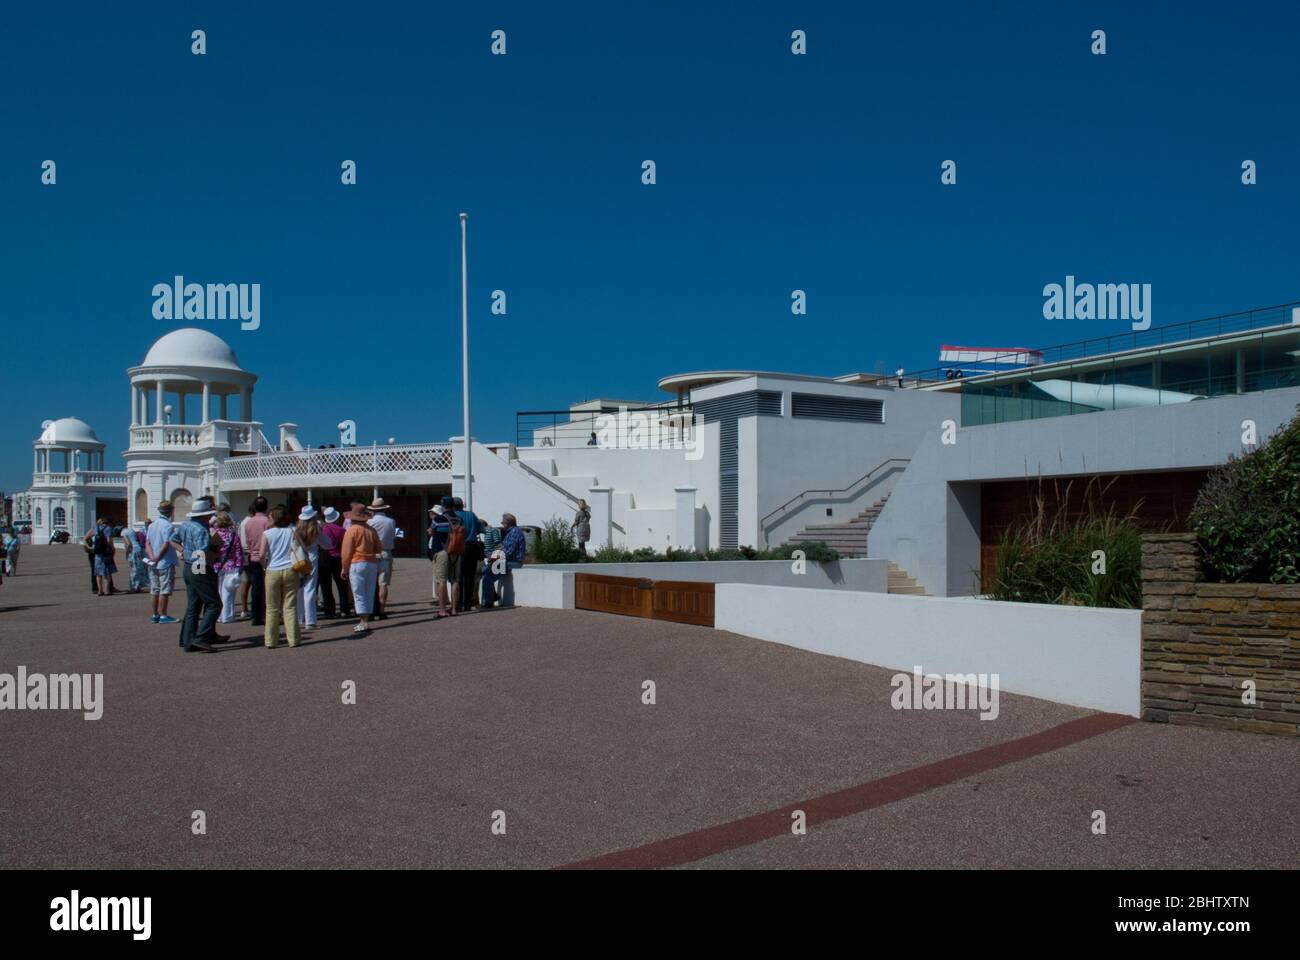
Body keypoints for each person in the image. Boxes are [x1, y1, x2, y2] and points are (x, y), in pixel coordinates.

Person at [175, 498, 222, 653]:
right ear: (204, 515)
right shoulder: (201, 530)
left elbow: (173, 540)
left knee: (193, 605)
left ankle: (187, 640)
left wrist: (183, 551)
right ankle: (201, 637)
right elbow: (202, 552)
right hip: (199, 566)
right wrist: (215, 552)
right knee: (214, 604)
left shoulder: (185, 525)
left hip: (189, 565)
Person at [260, 505, 300, 648]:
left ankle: (270, 641)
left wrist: (264, 566)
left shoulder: (267, 533)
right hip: (290, 568)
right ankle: (294, 639)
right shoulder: (293, 530)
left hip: (273, 569)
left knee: (272, 607)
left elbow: (261, 554)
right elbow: (299, 548)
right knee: (290, 606)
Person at [341, 502, 382, 636]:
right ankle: (366, 619)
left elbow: (346, 552)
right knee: (369, 591)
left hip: (357, 562)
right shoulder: (371, 530)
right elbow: (379, 548)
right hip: (371, 562)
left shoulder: (351, 530)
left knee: (358, 592)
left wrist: (344, 568)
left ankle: (363, 621)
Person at [294, 505, 331, 632]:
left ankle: (299, 618)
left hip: (298, 558)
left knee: (299, 588)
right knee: (310, 589)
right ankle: (310, 621)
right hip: (312, 557)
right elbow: (327, 544)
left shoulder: (296, 529)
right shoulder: (316, 529)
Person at [145, 500, 179, 624]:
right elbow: (166, 544)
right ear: (170, 511)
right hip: (165, 561)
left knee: (154, 589)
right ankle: (163, 615)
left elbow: (147, 543)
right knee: (164, 589)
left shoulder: (152, 525)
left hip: (152, 562)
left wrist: (151, 556)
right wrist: (158, 557)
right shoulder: (168, 526)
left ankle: (155, 614)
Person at [212, 510, 245, 624]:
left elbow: (213, 552)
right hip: (231, 566)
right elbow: (238, 552)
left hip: (217, 566)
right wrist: (240, 566)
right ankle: (227, 616)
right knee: (228, 593)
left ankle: (219, 616)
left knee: (218, 592)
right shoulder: (233, 535)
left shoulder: (215, 534)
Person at [242, 497, 271, 625]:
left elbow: (248, 541)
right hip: (266, 557)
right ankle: (264, 613)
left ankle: (255, 615)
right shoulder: (268, 522)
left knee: (256, 587)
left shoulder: (248, 523)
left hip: (253, 556)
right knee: (266, 587)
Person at [318, 506, 351, 618]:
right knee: (342, 585)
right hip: (338, 558)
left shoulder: (323, 530)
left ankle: (329, 610)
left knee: (326, 586)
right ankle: (344, 609)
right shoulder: (342, 530)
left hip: (325, 558)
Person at [367, 498, 396, 620]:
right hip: (386, 551)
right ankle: (381, 609)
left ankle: (372, 609)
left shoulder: (369, 522)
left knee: (371, 583)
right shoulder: (391, 521)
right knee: (383, 583)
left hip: (372, 552)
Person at [453, 497, 482, 612]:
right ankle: (467, 604)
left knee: (458, 577)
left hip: (459, 547)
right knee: (470, 577)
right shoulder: (471, 515)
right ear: (462, 505)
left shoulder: (453, 516)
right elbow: (481, 529)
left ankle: (458, 604)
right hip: (472, 547)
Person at [496, 513, 527, 608]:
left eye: (503, 522)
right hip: (510, 561)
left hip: (514, 562)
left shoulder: (514, 532)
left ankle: (494, 597)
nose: (502, 524)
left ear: (508, 523)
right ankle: (496, 596)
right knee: (490, 568)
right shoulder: (512, 532)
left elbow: (509, 551)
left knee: (490, 568)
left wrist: (495, 558)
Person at [89, 517, 117, 596]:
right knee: (107, 572)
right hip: (106, 553)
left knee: (98, 573)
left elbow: (88, 537)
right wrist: (112, 549)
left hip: (98, 553)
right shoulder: (108, 529)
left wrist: (91, 547)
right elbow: (109, 540)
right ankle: (107, 590)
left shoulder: (96, 528)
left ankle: (100, 591)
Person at [479, 519, 504, 607]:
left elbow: (499, 545)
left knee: (486, 575)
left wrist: (493, 557)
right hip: (490, 559)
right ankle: (492, 596)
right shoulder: (487, 533)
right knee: (486, 576)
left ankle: (489, 601)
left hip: (495, 560)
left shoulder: (492, 531)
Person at [126, 522, 149, 592]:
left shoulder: (124, 532)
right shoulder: (136, 531)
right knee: (140, 567)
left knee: (134, 569)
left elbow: (128, 544)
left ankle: (134, 587)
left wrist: (127, 554)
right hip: (141, 550)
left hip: (134, 551)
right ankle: (138, 586)